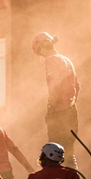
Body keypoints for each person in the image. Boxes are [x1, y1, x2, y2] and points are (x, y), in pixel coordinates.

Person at [32, 32, 82, 166]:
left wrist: (51, 107)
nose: (40, 56)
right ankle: (74, 178)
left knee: (54, 151)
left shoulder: (51, 60)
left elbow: (54, 85)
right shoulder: (67, 60)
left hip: (59, 112)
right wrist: (71, 102)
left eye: (39, 53)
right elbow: (77, 85)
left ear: (42, 47)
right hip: (72, 110)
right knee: (69, 149)